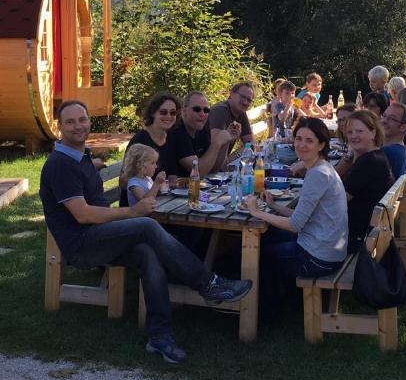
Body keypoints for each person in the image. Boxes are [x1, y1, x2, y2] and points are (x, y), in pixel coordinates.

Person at [40, 100, 252, 364]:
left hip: (102, 233)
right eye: (70, 122)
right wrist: (131, 212)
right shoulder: (60, 164)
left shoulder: (79, 156)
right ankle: (208, 284)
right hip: (82, 244)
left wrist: (94, 164)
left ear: (89, 121)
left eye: (82, 119)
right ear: (59, 127)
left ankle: (160, 336)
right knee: (147, 225)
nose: (78, 126)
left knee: (147, 254)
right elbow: (82, 214)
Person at [245, 117, 347, 314]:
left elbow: (295, 225)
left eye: (309, 140)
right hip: (331, 248)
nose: (301, 144)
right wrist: (274, 206)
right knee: (268, 237)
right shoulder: (323, 168)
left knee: (261, 254)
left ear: (321, 144)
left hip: (319, 257)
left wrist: (256, 212)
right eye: (298, 138)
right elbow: (306, 216)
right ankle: (289, 298)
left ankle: (267, 311)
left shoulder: (317, 174)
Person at [119, 92, 198, 206]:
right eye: (163, 112)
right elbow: (123, 180)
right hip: (138, 209)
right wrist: (152, 185)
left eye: (173, 113)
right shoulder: (140, 140)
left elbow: (173, 176)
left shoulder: (173, 137)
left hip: (164, 202)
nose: (169, 116)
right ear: (153, 113)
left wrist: (174, 183)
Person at [334, 109, 395, 252]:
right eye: (350, 132)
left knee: (279, 240)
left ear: (373, 132)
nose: (353, 136)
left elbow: (337, 202)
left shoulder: (368, 163)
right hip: (364, 233)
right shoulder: (377, 156)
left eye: (359, 131)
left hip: (353, 239)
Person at [171, 91, 239, 177]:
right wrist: (217, 143)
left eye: (206, 110)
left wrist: (226, 140)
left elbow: (215, 168)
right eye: (197, 109)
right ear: (184, 111)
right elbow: (198, 172)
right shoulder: (177, 132)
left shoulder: (201, 129)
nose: (202, 114)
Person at [208, 81, 256, 161]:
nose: (245, 102)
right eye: (242, 97)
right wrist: (227, 162)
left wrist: (230, 160)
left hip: (221, 163)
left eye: (249, 100)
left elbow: (250, 144)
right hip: (204, 166)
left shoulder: (240, 112)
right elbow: (214, 145)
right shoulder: (220, 111)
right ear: (232, 94)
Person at [379, 102, 406, 178]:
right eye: (384, 116)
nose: (384, 121)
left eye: (391, 118)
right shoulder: (399, 149)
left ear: (402, 127)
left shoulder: (388, 152)